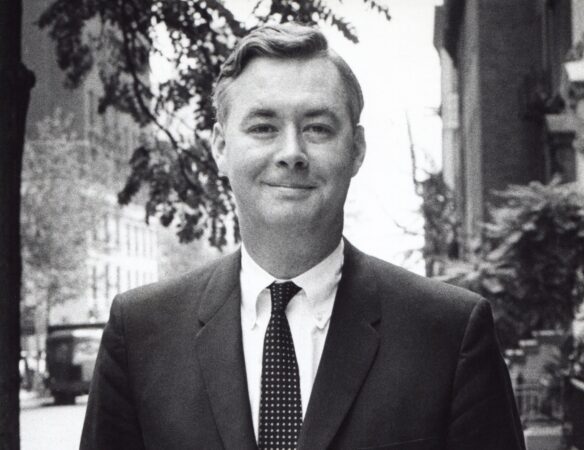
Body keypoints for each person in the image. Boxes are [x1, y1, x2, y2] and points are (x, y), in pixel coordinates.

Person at [80, 23, 525, 450]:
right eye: (263, 127)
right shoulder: (139, 334)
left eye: (317, 128)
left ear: (356, 150)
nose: (291, 152)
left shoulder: (448, 334)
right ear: (219, 148)